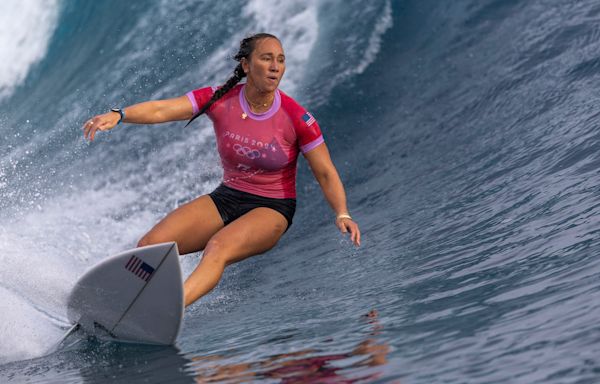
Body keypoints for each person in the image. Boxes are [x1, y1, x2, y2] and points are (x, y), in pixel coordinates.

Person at [82, 33, 360, 307]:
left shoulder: (296, 117)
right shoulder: (220, 98)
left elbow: (324, 171)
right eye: (266, 58)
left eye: (281, 60)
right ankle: (122, 305)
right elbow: (162, 110)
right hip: (227, 197)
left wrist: (342, 212)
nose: (275, 66)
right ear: (247, 65)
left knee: (218, 247)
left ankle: (167, 309)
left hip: (273, 208)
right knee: (150, 245)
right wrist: (120, 115)